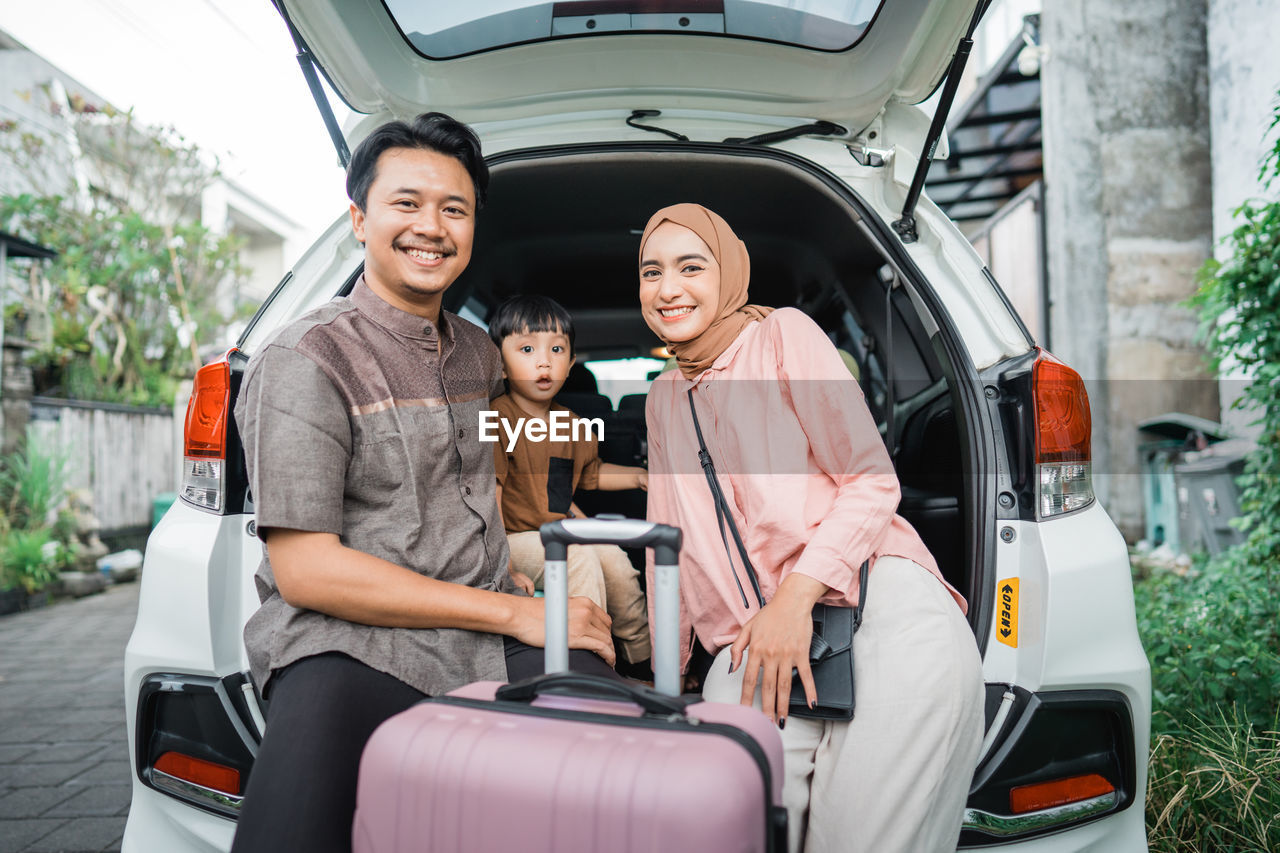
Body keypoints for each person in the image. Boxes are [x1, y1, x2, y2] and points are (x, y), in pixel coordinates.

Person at [230, 113, 618, 853]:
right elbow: (306, 569)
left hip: (484, 625)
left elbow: (496, 478)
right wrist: (512, 614)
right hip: (344, 643)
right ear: (359, 218)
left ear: (473, 229)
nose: (431, 227)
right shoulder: (303, 359)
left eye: (454, 209)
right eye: (406, 204)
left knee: (613, 774)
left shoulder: (478, 352)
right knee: (292, 828)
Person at [639, 203, 984, 853]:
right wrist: (668, 677)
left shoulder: (783, 337)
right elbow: (669, 541)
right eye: (651, 271)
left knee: (859, 838)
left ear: (729, 271)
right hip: (757, 643)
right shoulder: (662, 397)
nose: (668, 287)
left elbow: (871, 478)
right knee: (734, 820)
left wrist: (796, 596)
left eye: (690, 266)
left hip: (882, 606)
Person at [487, 294, 652, 669]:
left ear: (571, 362)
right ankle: (590, 666)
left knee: (615, 559)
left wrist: (640, 476)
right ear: (500, 363)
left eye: (557, 349)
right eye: (527, 349)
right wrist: (502, 567)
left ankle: (643, 664)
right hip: (509, 540)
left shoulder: (571, 422)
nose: (544, 361)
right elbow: (489, 497)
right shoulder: (496, 419)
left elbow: (590, 474)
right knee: (578, 558)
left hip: (555, 532)